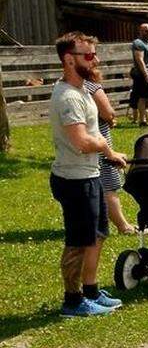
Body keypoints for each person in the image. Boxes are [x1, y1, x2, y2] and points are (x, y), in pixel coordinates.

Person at [48, 32, 128, 317]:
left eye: (95, 53)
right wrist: (107, 147)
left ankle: (91, 291)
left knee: (96, 236)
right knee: (79, 240)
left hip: (90, 174)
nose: (96, 59)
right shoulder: (68, 97)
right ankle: (72, 300)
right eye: (89, 55)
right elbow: (82, 142)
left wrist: (107, 155)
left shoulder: (83, 89)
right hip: (74, 180)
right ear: (69, 60)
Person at [83, 71, 137, 235]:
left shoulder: (69, 86)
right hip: (99, 143)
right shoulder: (91, 86)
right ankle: (123, 225)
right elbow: (108, 112)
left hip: (82, 141)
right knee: (108, 185)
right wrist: (111, 118)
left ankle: (90, 223)